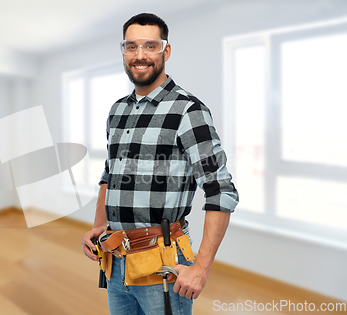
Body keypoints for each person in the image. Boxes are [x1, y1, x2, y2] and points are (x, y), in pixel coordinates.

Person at [81, 12, 239, 315]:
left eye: (150, 46)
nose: (140, 56)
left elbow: (221, 190)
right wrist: (99, 225)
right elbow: (109, 174)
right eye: (131, 47)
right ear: (123, 52)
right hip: (114, 261)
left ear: (165, 51)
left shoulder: (187, 110)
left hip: (164, 262)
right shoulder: (117, 111)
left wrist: (202, 267)